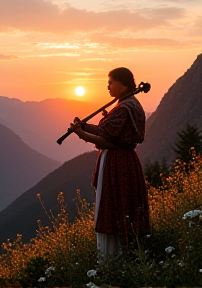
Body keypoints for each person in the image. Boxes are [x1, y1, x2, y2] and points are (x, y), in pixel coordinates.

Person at [69, 67, 150, 259]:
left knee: (115, 205)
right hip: (128, 162)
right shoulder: (132, 104)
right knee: (126, 205)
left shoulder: (123, 108)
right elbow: (110, 132)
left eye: (111, 82)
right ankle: (129, 252)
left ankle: (113, 258)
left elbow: (108, 141)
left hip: (116, 162)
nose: (108, 86)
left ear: (122, 84)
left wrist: (81, 134)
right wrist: (86, 127)